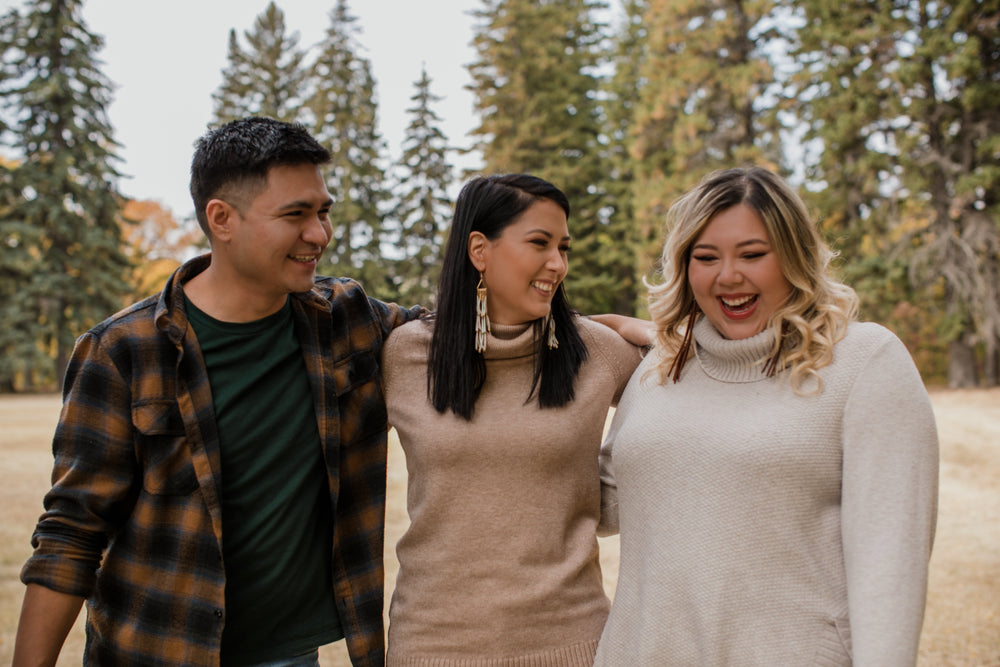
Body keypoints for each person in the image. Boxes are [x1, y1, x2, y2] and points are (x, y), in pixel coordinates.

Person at [13, 117, 422, 667]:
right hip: (153, 653)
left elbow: (465, 335)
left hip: (291, 656)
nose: (320, 235)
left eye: (322, 211)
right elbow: (71, 533)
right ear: (222, 219)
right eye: (295, 214)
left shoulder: (347, 319)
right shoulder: (121, 351)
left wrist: (575, 330)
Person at [594, 166, 939, 666]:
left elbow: (891, 567)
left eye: (753, 255)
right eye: (705, 257)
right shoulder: (661, 366)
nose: (728, 276)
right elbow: (602, 505)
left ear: (795, 255)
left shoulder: (865, 363)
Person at [381, 174, 643, 666]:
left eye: (563, 247)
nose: (558, 264)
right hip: (431, 646)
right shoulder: (406, 355)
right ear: (480, 250)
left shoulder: (599, 353)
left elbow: (686, 403)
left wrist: (639, 331)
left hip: (573, 644)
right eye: (540, 243)